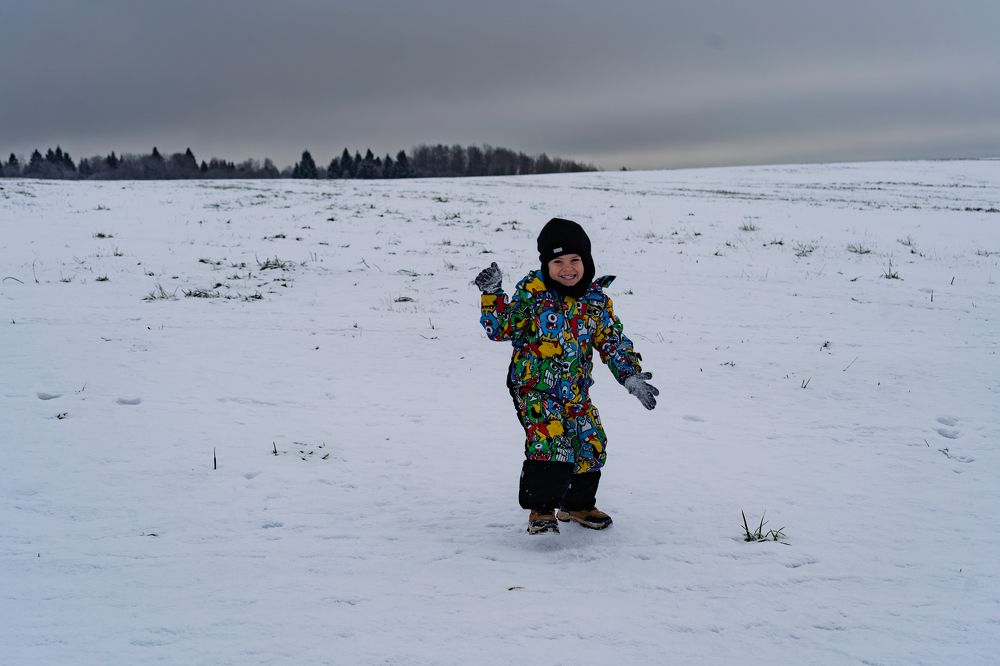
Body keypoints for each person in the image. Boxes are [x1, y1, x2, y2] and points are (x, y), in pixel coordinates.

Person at [475, 217, 658, 535]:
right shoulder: (533, 295)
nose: (567, 268)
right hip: (533, 387)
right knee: (551, 440)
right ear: (546, 264)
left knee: (590, 442)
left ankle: (577, 505)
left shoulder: (596, 302)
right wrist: (492, 294)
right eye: (557, 261)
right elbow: (501, 328)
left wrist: (629, 375)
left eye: (575, 260)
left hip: (575, 390)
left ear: (586, 262)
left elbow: (611, 342)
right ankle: (541, 510)